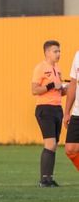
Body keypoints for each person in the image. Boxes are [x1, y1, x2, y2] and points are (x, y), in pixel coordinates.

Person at [32, 40, 66, 187]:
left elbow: (59, 91)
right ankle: (44, 180)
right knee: (50, 144)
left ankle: (49, 178)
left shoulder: (57, 69)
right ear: (46, 52)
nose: (58, 54)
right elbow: (34, 90)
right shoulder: (40, 67)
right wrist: (52, 85)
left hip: (57, 108)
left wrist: (67, 88)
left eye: (59, 51)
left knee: (54, 145)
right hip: (45, 108)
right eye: (55, 51)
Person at [64, 50, 79, 172]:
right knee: (70, 149)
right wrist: (67, 112)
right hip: (77, 111)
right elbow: (73, 84)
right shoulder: (78, 55)